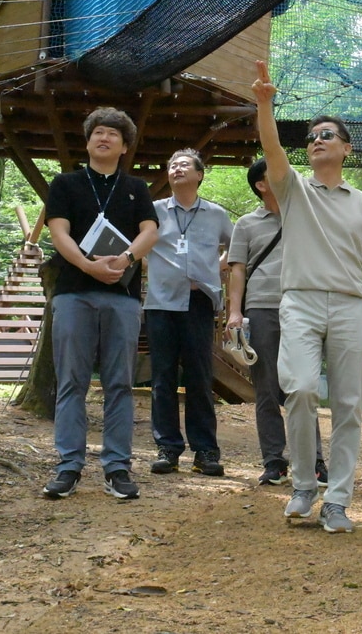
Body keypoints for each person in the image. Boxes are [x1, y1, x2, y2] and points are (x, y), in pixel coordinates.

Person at [251, 60, 362, 534]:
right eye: (313, 136)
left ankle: (338, 501)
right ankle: (302, 485)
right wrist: (264, 104)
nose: (317, 140)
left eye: (328, 135)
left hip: (351, 307)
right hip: (299, 300)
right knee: (297, 388)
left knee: (349, 404)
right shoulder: (293, 189)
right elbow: (272, 146)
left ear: (346, 149)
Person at [41, 108, 159, 501]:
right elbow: (58, 231)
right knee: (71, 380)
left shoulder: (136, 187)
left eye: (112, 134)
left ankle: (117, 467)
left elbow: (150, 231)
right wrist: (87, 266)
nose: (103, 138)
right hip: (74, 292)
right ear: (88, 141)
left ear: (124, 146)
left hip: (122, 296)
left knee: (120, 383)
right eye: (98, 133)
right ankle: (68, 466)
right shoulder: (66, 183)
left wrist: (124, 260)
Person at [226, 158, 326, 488]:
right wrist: (235, 313)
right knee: (267, 388)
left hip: (303, 308)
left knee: (302, 386)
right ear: (261, 184)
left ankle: (314, 462)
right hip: (263, 308)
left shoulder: (305, 216)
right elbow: (237, 269)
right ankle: (273, 461)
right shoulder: (246, 224)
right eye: (275, 173)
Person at [144, 149, 234, 478]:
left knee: (199, 377)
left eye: (184, 164)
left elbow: (238, 247)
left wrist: (215, 268)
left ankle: (206, 452)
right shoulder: (152, 211)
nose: (177, 168)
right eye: (172, 165)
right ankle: (167, 448)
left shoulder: (215, 214)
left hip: (199, 303)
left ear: (199, 175)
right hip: (160, 303)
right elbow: (137, 244)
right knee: (162, 379)